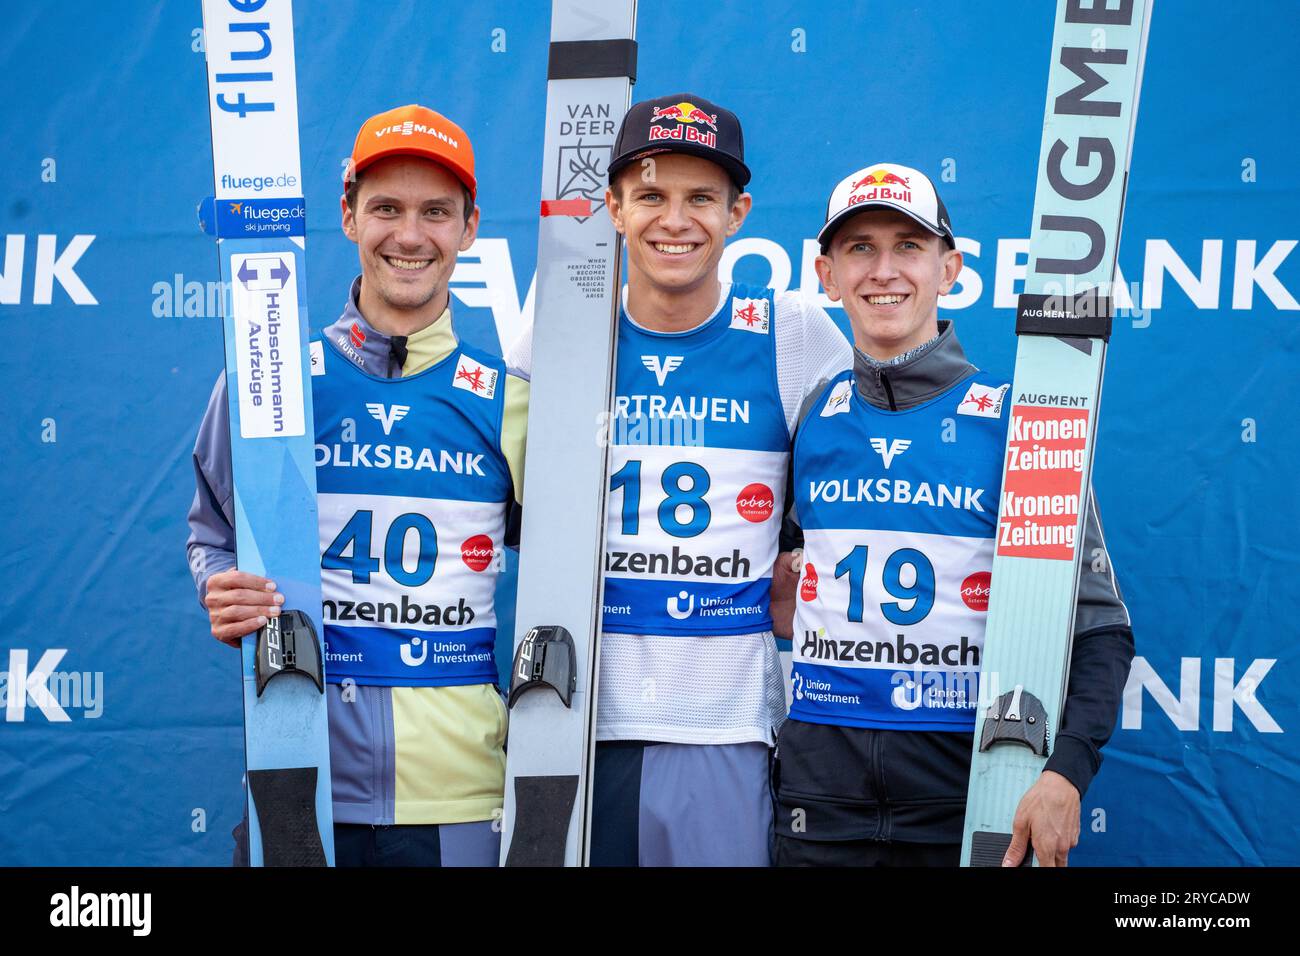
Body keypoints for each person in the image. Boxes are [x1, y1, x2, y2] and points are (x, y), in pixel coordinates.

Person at [507, 93, 851, 865]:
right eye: (652, 196)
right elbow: (504, 494)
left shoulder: (793, 332)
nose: (675, 219)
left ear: (738, 213)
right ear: (614, 209)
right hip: (575, 722)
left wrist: (800, 558)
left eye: (701, 198)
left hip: (722, 722)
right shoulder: (559, 329)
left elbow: (862, 472)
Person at [186, 104, 529, 867]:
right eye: (386, 209)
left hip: (460, 799)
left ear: (469, 229)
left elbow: (572, 565)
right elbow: (213, 529)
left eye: (436, 212)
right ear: (347, 216)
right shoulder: (271, 384)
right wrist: (222, 586)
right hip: (299, 778)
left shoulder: (511, 400)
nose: (410, 235)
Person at [770, 162, 1135, 866]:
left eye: (909, 246)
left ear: (951, 268)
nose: (884, 270)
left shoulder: (1016, 421)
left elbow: (1100, 629)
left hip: (967, 794)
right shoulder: (814, 414)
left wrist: (1066, 772)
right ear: (827, 274)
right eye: (860, 248)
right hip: (818, 800)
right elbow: (779, 572)